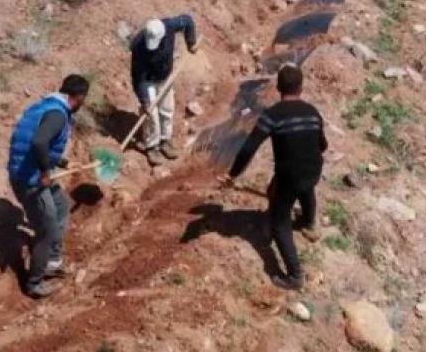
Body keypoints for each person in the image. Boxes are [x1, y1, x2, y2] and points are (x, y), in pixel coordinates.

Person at [221, 65, 328, 291]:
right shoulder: (312, 111)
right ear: (301, 87)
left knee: (280, 221)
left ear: (278, 87)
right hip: (315, 170)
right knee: (307, 187)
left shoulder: (272, 115)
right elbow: (323, 145)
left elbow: (249, 148)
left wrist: (233, 174)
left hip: (289, 176)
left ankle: (294, 275)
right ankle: (309, 223)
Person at [7, 74, 89, 299]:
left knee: (61, 204)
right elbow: (38, 142)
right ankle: (34, 283)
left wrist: (62, 162)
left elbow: (38, 142)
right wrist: (45, 172)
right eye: (83, 99)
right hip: (29, 180)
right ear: (79, 97)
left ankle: (52, 261)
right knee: (47, 230)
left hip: (27, 173)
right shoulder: (58, 115)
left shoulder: (48, 106)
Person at [131, 15, 198, 166]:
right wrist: (145, 101)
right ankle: (151, 146)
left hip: (165, 76)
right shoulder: (138, 45)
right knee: (150, 115)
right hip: (147, 80)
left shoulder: (170, 26)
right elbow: (138, 76)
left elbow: (188, 20)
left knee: (167, 110)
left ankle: (164, 141)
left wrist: (191, 43)